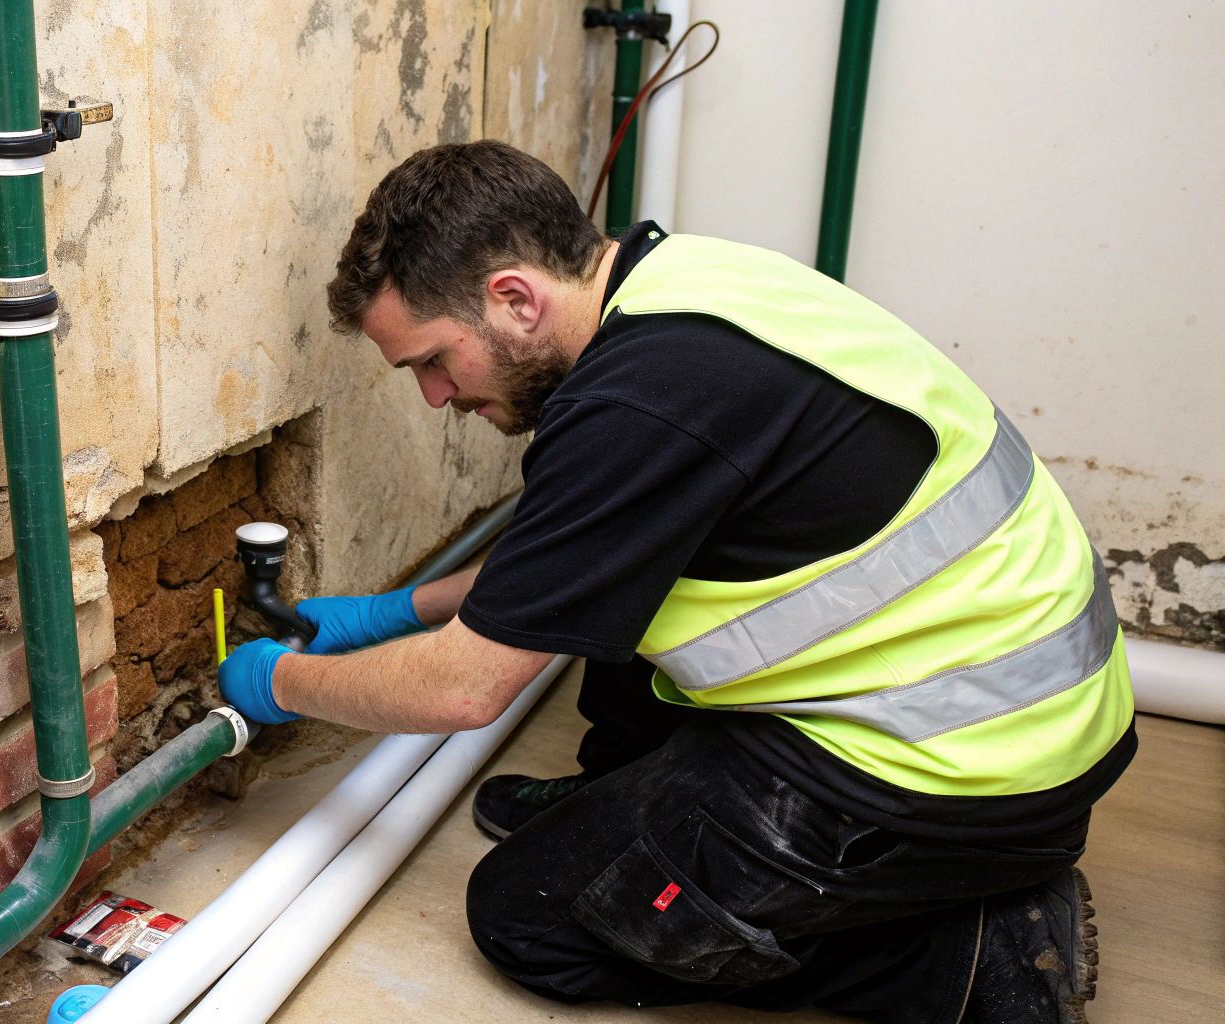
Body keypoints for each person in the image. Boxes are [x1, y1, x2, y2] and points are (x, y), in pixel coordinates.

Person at [216, 140, 1133, 1023]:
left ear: (513, 299)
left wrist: (282, 683)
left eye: (430, 359)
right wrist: (390, 612)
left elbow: (464, 690)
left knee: (528, 917)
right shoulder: (674, 286)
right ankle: (642, 813)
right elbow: (576, 553)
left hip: (965, 767)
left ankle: (973, 955)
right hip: (997, 695)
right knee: (610, 640)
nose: (433, 395)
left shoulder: (638, 402)